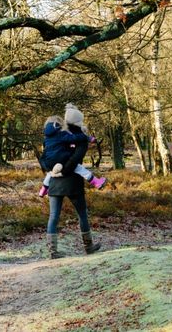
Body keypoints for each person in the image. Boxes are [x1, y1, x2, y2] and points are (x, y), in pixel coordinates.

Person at [45, 104, 102, 259]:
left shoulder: (56, 134)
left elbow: (45, 156)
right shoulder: (81, 137)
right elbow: (75, 159)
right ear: (78, 121)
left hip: (54, 181)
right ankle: (88, 246)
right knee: (82, 214)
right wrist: (64, 171)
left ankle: (52, 251)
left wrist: (51, 171)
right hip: (72, 183)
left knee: (53, 216)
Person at [38, 105, 106, 197]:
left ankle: (43, 189)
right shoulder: (61, 134)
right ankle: (95, 182)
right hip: (63, 162)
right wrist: (87, 138)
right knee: (80, 169)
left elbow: (44, 153)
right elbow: (73, 139)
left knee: (50, 173)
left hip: (49, 163)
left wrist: (47, 165)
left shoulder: (47, 138)